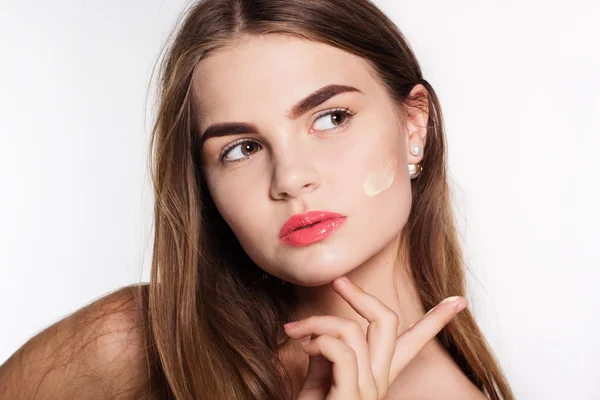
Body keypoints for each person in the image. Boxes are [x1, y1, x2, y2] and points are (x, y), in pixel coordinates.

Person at [0, 0, 515, 399]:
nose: (290, 178)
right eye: (242, 148)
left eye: (331, 118)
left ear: (413, 125)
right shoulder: (131, 344)